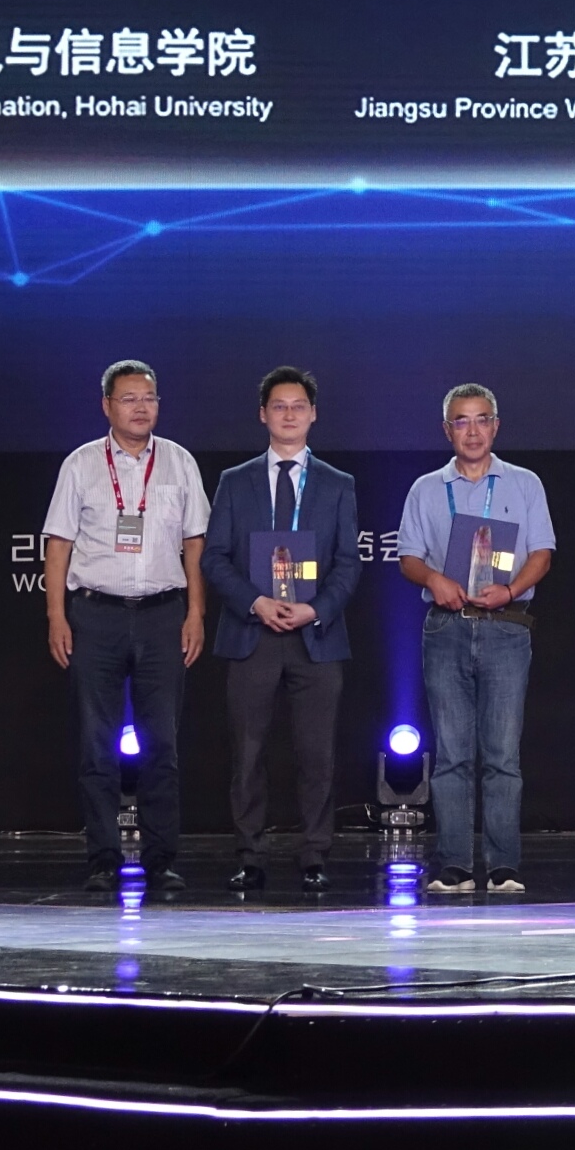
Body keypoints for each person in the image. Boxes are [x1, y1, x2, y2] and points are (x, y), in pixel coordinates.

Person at [42, 359, 210, 894]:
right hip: (95, 615)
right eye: (129, 398)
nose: (141, 407)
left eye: (149, 398)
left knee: (163, 743)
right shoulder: (81, 464)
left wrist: (195, 612)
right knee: (97, 744)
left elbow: (195, 544)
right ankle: (103, 858)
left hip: (163, 614)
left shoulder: (179, 461)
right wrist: (56, 616)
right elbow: (59, 544)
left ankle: (161, 859)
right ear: (107, 406)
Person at [201, 366, 362, 895]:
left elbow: (348, 563)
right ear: (262, 414)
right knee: (248, 754)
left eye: (298, 406)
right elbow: (214, 557)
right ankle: (250, 856)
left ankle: (314, 855)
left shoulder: (338, 484)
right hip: (252, 633)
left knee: (317, 755)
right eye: (279, 406)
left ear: (313, 414)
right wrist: (256, 602)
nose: (289, 414)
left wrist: (314, 609)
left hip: (316, 637)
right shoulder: (235, 481)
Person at [396, 384, 555, 895]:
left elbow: (542, 554)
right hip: (446, 627)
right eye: (461, 421)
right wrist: (433, 579)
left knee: (503, 754)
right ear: (447, 430)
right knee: (452, 755)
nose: (472, 430)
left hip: (507, 625)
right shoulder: (426, 488)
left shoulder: (524, 483)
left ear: (496, 426)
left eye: (481, 419)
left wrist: (509, 589)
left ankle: (504, 865)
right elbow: (408, 557)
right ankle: (455, 866)